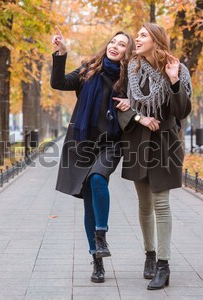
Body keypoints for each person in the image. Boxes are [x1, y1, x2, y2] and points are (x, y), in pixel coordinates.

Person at [51, 26, 135, 283]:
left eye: (121, 44)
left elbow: (140, 103)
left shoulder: (128, 78)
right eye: (113, 41)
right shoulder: (88, 70)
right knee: (88, 201)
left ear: (126, 53)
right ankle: (97, 260)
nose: (115, 46)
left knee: (98, 179)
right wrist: (61, 54)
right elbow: (59, 83)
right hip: (83, 142)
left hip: (110, 142)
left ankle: (101, 234)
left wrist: (132, 104)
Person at [114, 23, 192, 290]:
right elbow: (120, 107)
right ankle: (149, 255)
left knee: (161, 203)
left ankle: (163, 264)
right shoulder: (131, 71)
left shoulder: (176, 68)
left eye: (143, 35)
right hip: (137, 141)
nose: (137, 39)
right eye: (137, 35)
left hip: (165, 143)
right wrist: (138, 116)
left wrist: (173, 80)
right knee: (144, 204)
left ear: (156, 40)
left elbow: (181, 111)